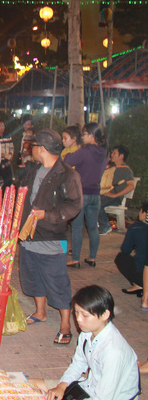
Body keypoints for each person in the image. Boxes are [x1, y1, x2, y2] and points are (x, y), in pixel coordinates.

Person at [19, 129, 82, 345]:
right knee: (33, 276)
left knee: (57, 281)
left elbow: (74, 205)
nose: (31, 150)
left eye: (33, 146)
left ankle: (66, 323)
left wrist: (49, 215)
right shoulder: (34, 170)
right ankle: (40, 311)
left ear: (42, 149)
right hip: (29, 235)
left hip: (52, 237)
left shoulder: (67, 174)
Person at [37, 286, 139, 400]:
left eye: (85, 315)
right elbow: (78, 364)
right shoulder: (87, 333)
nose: (78, 319)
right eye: (76, 313)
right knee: (23, 384)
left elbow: (104, 397)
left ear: (105, 315)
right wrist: (62, 386)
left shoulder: (114, 352)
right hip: (86, 388)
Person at [64, 122, 109, 268]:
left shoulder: (84, 151)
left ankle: (75, 259)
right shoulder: (105, 152)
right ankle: (92, 258)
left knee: (77, 227)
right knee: (92, 228)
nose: (82, 137)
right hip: (96, 194)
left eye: (83, 134)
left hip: (81, 192)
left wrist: (69, 153)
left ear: (91, 135)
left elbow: (67, 162)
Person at [114, 201, 148, 297]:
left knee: (121, 258)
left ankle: (139, 285)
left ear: (144, 214)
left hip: (143, 275)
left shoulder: (136, 227)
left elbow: (125, 250)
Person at [99, 145, 135, 235]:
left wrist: (115, 195)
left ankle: (105, 226)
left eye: (114, 153)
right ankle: (97, 224)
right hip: (105, 194)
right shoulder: (112, 168)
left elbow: (131, 185)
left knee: (95, 202)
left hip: (114, 198)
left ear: (121, 156)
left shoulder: (126, 170)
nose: (112, 155)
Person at [0, 120, 14, 189]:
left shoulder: (8, 135)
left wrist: (11, 154)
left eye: (3, 126)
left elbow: (12, 147)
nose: (2, 127)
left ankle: (5, 196)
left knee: (8, 181)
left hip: (7, 162)